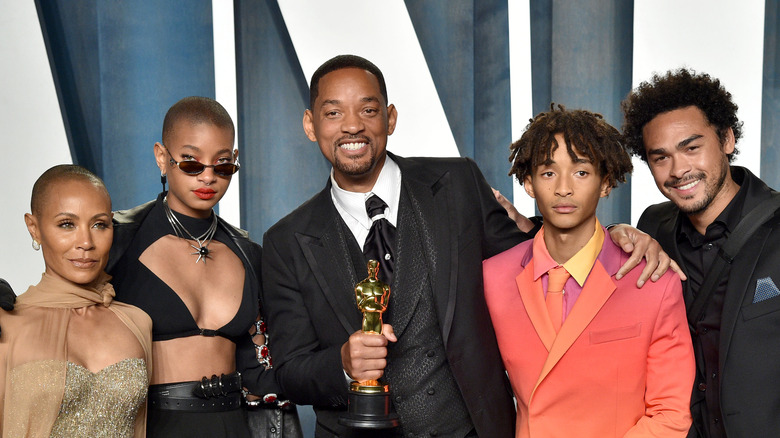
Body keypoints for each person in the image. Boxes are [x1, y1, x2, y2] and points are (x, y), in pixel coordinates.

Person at [261, 54, 675, 437]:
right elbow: (290, 372)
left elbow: (535, 253)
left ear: (389, 118)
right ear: (310, 124)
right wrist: (343, 366)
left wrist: (619, 234)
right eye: (333, 113)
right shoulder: (285, 241)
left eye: (368, 110)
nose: (352, 125)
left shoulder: (457, 184)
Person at [483, 106, 694, 437]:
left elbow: (670, 411)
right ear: (528, 183)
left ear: (606, 182)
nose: (564, 188)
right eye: (549, 173)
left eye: (581, 172)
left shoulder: (654, 281)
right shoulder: (492, 278)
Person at [106, 97, 300, 437]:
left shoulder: (250, 254)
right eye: (192, 163)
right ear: (162, 158)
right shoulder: (117, 240)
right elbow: (59, 307)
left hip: (234, 424)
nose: (208, 177)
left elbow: (267, 364)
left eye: (222, 165)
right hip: (152, 426)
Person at [623, 68, 780, 438]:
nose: (678, 170)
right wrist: (618, 232)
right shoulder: (653, 227)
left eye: (692, 147)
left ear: (726, 139)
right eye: (660, 158)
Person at [0, 165, 152, 437]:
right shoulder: (6, 324)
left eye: (99, 225)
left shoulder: (137, 322)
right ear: (34, 228)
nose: (86, 242)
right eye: (67, 224)